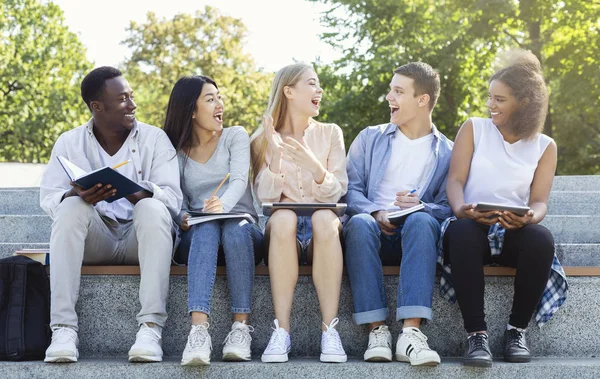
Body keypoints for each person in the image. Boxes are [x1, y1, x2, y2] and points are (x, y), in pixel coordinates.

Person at [40, 67, 182, 363]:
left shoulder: (155, 139)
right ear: (97, 106)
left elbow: (172, 199)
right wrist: (76, 194)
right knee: (70, 206)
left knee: (151, 206)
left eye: (131, 96)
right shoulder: (69, 143)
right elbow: (49, 198)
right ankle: (63, 329)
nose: (132, 105)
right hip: (97, 238)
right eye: (122, 99)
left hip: (140, 238)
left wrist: (133, 191)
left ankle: (150, 327)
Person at [443, 50, 565, 367]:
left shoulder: (545, 146)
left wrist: (527, 218)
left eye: (499, 100)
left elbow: (539, 201)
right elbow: (454, 181)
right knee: (462, 231)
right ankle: (476, 337)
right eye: (490, 98)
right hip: (472, 225)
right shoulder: (474, 128)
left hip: (514, 230)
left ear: (523, 103)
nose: (490, 106)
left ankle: (516, 332)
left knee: (541, 239)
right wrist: (463, 210)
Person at [344, 62, 452, 365]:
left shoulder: (447, 151)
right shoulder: (370, 137)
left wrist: (421, 206)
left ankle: (410, 334)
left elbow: (448, 207)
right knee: (360, 223)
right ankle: (377, 330)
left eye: (398, 91)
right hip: (370, 233)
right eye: (391, 90)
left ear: (423, 99)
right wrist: (376, 211)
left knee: (421, 220)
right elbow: (350, 191)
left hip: (417, 238)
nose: (389, 97)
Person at [250, 63, 348, 363]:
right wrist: (277, 156)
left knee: (323, 217)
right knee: (282, 217)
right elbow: (264, 197)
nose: (319, 91)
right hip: (283, 233)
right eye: (312, 84)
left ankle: (330, 331)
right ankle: (281, 331)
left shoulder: (331, 133)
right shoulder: (263, 139)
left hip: (323, 229)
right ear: (289, 91)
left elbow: (338, 190)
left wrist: (313, 165)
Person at [163, 76, 264, 366]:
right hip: (199, 237)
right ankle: (198, 332)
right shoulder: (177, 152)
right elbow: (177, 200)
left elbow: (240, 180)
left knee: (235, 226)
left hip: (242, 233)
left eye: (219, 97)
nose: (220, 104)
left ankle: (240, 328)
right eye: (210, 99)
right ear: (191, 111)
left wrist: (223, 206)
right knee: (206, 226)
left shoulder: (235, 136)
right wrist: (183, 217)